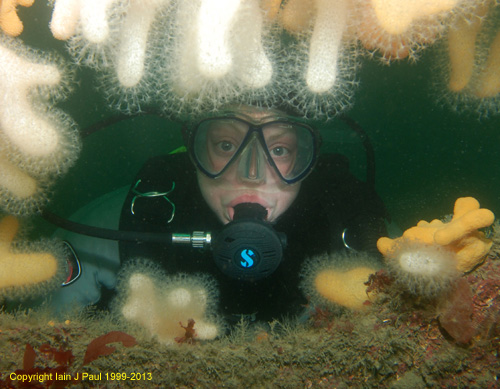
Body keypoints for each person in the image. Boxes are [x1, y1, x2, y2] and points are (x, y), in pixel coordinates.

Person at [117, 104, 388, 323]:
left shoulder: (342, 211)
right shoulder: (153, 208)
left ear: (306, 158)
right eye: (226, 145)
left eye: (279, 150)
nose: (252, 175)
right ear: (194, 149)